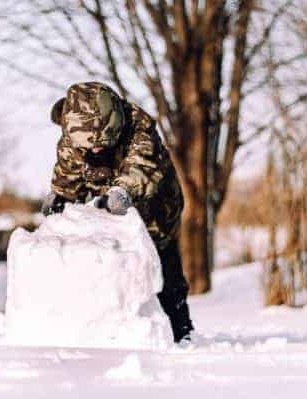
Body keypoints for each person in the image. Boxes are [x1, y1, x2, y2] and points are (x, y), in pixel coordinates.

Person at [41, 81, 194, 342]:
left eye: (101, 143)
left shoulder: (140, 131)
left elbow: (140, 168)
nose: (95, 150)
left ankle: (179, 332)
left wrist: (123, 193)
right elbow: (68, 173)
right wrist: (59, 196)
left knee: (163, 271)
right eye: (89, 146)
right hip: (104, 204)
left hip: (154, 208)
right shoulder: (74, 134)